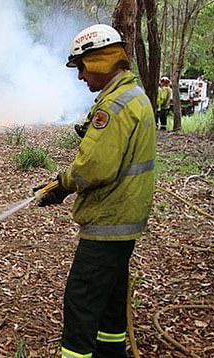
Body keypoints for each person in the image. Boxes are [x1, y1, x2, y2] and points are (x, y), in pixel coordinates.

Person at [33, 24, 156, 358]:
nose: (80, 77)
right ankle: (112, 352)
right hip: (123, 217)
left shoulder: (114, 107)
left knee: (82, 298)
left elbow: (94, 168)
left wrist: (62, 183)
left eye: (83, 67)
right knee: (112, 296)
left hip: (108, 218)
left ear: (102, 61)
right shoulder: (133, 96)